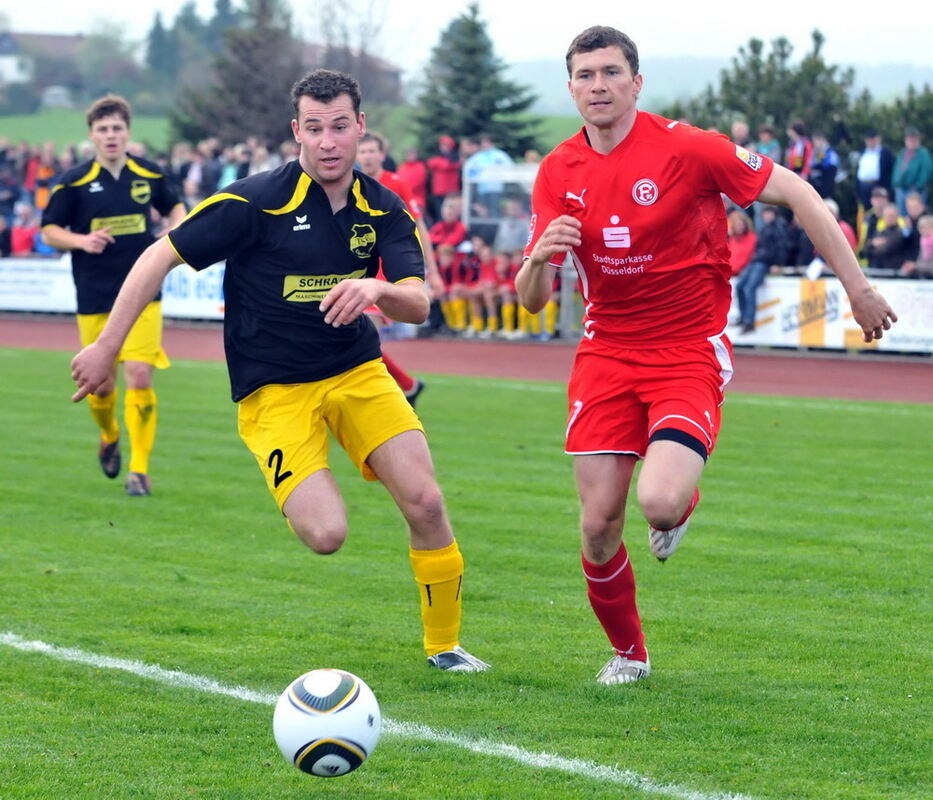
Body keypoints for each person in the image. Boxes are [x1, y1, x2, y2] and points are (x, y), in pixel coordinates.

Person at [69, 69, 490, 674]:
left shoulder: (384, 207)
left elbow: (419, 302)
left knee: (425, 500)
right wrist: (108, 346)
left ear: (360, 127)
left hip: (356, 371)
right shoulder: (254, 200)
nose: (328, 141)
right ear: (296, 131)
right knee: (326, 534)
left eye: (339, 126)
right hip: (273, 390)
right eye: (314, 128)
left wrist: (375, 288)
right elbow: (159, 254)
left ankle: (445, 648)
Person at [517, 26, 896, 686]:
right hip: (604, 353)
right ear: (570, 87)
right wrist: (539, 255)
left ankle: (680, 505)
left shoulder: (687, 148)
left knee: (657, 503)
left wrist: (856, 286)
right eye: (584, 74)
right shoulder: (557, 171)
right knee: (598, 523)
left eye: (610, 72)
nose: (597, 85)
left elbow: (800, 192)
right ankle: (629, 655)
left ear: (636, 83)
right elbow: (528, 299)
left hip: (687, 349)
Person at [41, 95, 186, 496]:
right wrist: (82, 240)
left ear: (127, 132)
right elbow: (49, 230)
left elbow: (178, 208)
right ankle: (109, 434)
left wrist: (174, 230)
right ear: (91, 135)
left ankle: (139, 471)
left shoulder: (150, 174)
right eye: (103, 129)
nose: (110, 135)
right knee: (101, 386)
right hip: (94, 294)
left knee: (140, 373)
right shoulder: (73, 181)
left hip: (143, 293)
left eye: (117, 128)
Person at [356, 131, 444, 406]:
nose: (368, 156)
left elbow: (419, 227)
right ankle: (406, 386)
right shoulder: (348, 184)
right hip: (355, 272)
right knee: (356, 342)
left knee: (362, 338)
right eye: (363, 151)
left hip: (385, 273)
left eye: (372, 151)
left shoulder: (396, 185)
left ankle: (389, 395)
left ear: (382, 155)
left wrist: (433, 271)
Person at [892, 127, 932, 214]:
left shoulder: (923, 153)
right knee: (902, 215)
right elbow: (896, 170)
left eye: (914, 139)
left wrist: (917, 186)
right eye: (909, 138)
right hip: (900, 189)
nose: (911, 141)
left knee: (915, 214)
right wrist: (895, 184)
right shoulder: (902, 152)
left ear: (918, 140)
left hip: (915, 190)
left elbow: (925, 172)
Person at [856, 130, 894, 211]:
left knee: (880, 209)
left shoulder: (885, 152)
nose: (871, 142)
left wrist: (885, 188)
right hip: (864, 186)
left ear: (878, 139)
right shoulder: (863, 153)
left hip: (878, 185)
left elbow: (889, 171)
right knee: (865, 210)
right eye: (869, 139)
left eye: (873, 139)